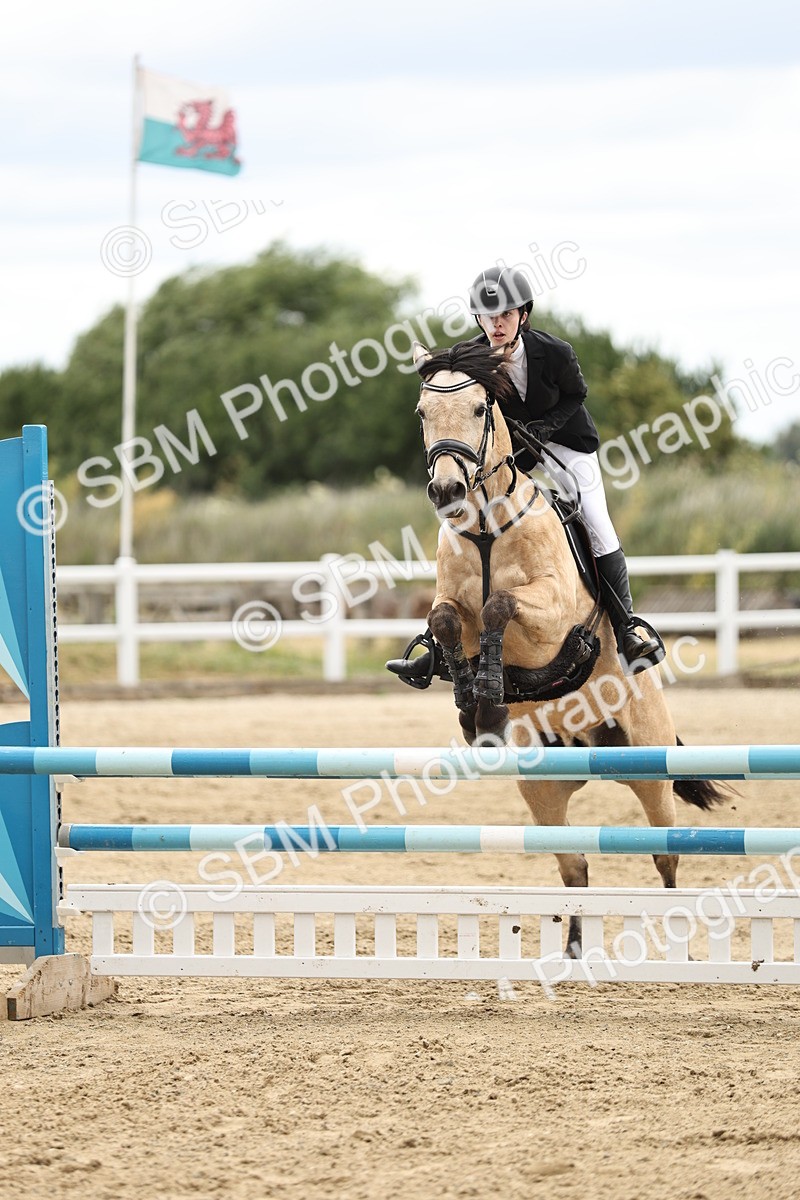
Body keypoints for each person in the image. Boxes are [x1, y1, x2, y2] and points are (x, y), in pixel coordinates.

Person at [387, 264, 664, 682]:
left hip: (566, 444)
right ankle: (436, 644)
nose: (496, 324)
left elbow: (576, 395)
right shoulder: (473, 357)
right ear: (478, 318)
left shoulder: (554, 352)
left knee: (597, 522)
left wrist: (544, 430)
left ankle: (627, 629)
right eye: (488, 316)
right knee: (460, 518)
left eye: (505, 315)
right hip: (509, 455)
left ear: (523, 315)